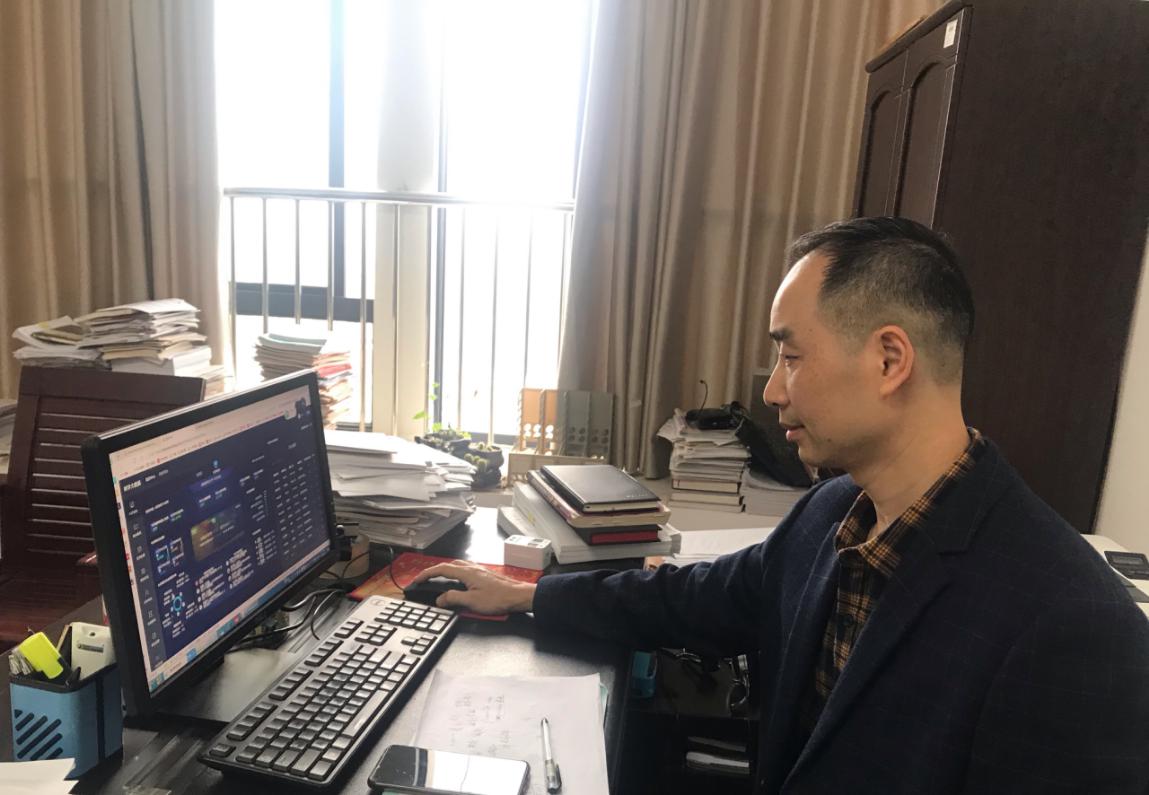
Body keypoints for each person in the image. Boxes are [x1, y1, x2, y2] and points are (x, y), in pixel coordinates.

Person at [413, 217, 1149, 793]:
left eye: (791, 356)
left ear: (889, 359)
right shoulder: (831, 514)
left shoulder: (1074, 627)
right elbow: (694, 598)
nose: (770, 390)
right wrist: (529, 593)